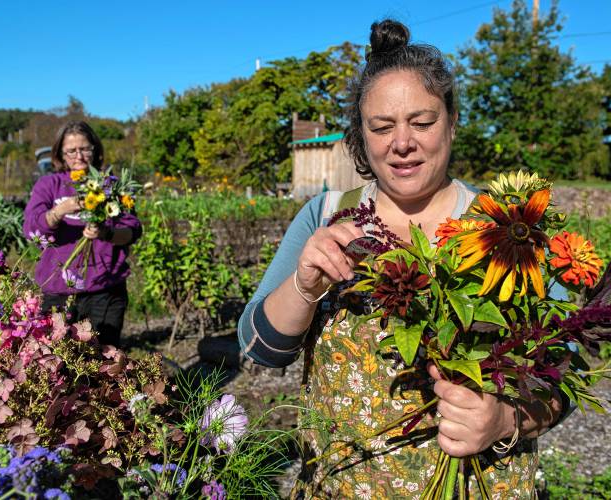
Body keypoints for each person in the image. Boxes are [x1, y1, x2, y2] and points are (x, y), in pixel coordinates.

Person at [238, 20, 567, 498]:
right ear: (362, 136)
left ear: (452, 122)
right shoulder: (326, 216)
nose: (402, 143)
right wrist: (305, 288)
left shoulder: (508, 230)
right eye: (382, 126)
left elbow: (565, 369)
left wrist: (503, 419)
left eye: (422, 122)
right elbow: (260, 349)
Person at [23, 121, 142, 348]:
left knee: (103, 361)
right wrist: (60, 211)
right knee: (56, 362)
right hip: (58, 289)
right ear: (60, 153)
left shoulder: (111, 187)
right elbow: (31, 230)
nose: (79, 156)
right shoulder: (49, 185)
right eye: (71, 150)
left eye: (85, 149)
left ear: (95, 150)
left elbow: (132, 231)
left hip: (105, 289)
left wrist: (106, 233)